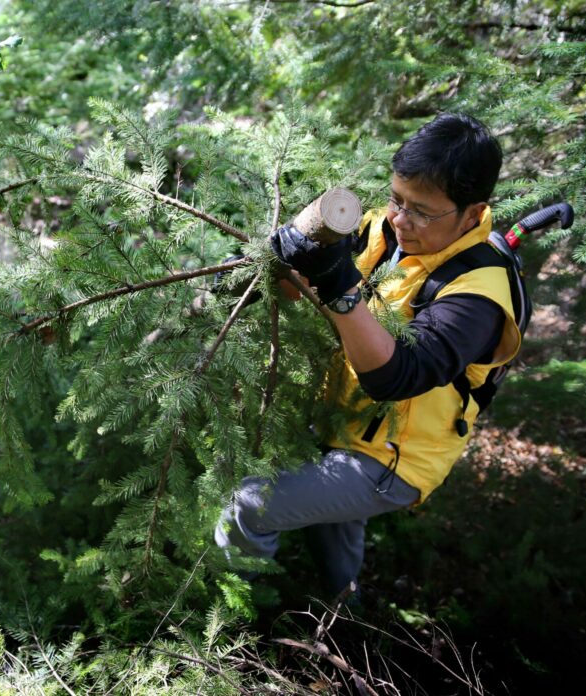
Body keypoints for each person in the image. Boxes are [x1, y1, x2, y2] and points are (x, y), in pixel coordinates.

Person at [214, 113, 521, 597]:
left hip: (393, 461)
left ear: (470, 213)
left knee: (250, 505)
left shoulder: (478, 296)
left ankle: (230, 626)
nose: (401, 219)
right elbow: (302, 284)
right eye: (397, 198)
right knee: (332, 536)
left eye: (422, 211)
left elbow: (396, 376)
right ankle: (348, 618)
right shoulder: (383, 229)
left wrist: (338, 282)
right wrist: (271, 263)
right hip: (340, 426)